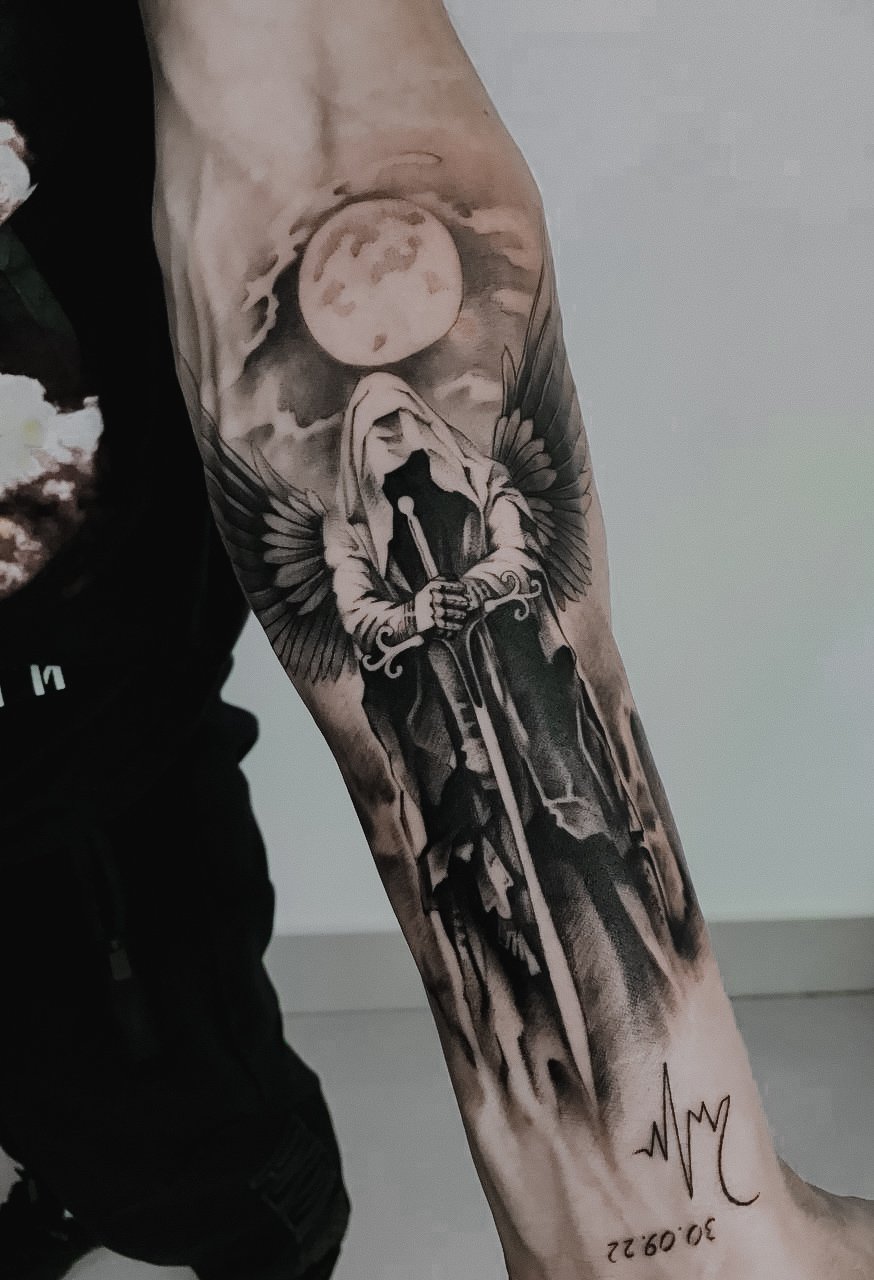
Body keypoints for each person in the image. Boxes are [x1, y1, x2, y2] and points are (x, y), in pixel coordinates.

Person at [0, 2, 870, 1279]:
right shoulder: (368, 531)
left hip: (71, 725)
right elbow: (363, 598)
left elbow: (317, 120)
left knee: (156, 1103)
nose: (400, 432)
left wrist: (652, 1220)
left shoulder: (462, 487)